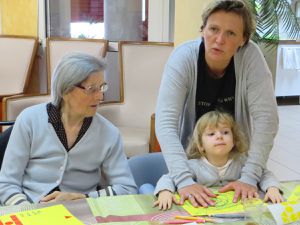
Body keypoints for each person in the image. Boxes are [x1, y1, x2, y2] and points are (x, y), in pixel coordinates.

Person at [155, 0, 279, 207]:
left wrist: (249, 177)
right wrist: (184, 180)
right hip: (193, 162)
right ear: (202, 30)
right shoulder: (183, 57)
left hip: (238, 162)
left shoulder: (251, 57)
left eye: (231, 33)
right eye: (213, 29)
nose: (219, 39)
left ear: (243, 40)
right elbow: (165, 122)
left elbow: (267, 120)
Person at [0, 53, 137, 206]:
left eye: (102, 87)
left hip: (81, 213)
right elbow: (6, 184)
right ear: (65, 91)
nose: (100, 97)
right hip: (30, 207)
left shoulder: (109, 133)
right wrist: (29, 212)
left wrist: (84, 198)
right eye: (92, 89)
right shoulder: (29, 120)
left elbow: (127, 188)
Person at [154, 111, 283, 210]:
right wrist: (165, 192)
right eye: (211, 134)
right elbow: (169, 178)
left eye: (225, 132)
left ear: (234, 141)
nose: (219, 136)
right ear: (200, 145)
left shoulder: (243, 162)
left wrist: (272, 188)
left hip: (237, 214)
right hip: (202, 214)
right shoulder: (192, 165)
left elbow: (264, 174)